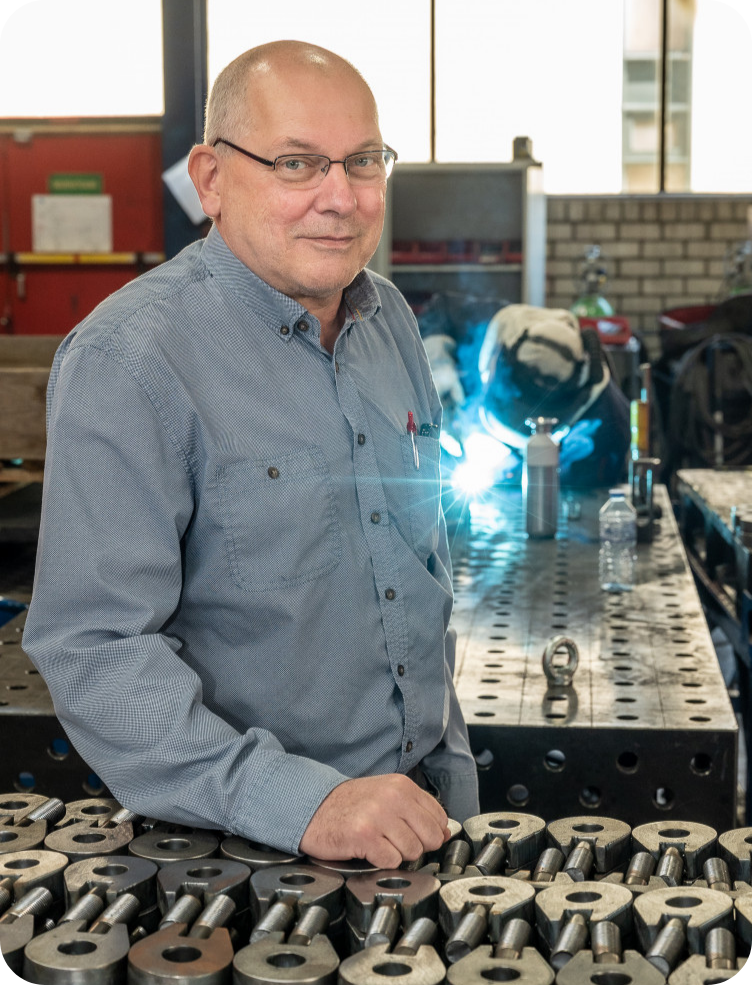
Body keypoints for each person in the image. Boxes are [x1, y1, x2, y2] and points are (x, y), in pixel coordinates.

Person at [22, 41, 479, 870]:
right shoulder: (130, 360)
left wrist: (453, 776)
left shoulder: (392, 325)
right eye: (297, 163)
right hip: (237, 855)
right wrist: (303, 803)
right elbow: (93, 648)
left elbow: (423, 572)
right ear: (211, 179)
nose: (340, 198)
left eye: (364, 161)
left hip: (414, 826)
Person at [426, 303, 631, 488]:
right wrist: (436, 362)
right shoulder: (487, 328)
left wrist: (569, 470)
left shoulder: (608, 414)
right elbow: (438, 311)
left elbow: (609, 482)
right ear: (493, 363)